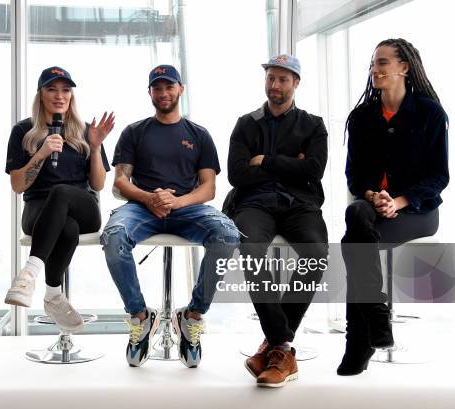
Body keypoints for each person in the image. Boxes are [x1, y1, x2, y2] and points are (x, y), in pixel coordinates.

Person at [100, 64, 240, 368]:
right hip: (141, 207)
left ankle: (191, 317)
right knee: (112, 237)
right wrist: (149, 198)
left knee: (228, 235)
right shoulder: (134, 132)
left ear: (180, 89)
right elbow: (120, 183)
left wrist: (176, 202)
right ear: (150, 92)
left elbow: (209, 188)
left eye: (169, 86)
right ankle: (140, 316)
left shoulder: (199, 135)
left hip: (187, 207)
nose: (163, 93)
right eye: (157, 87)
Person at [339, 38, 448, 375]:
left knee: (354, 241)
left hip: (418, 212)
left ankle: (360, 341)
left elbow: (438, 176)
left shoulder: (430, 113)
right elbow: (354, 175)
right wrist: (373, 196)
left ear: (403, 67)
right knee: (357, 214)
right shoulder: (361, 118)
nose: (375, 69)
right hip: (374, 208)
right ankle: (376, 317)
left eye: (383, 62)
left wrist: (398, 201)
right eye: (373, 63)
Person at [223, 54, 329, 388]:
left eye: (283, 79)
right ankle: (282, 345)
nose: (275, 85)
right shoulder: (246, 123)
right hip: (254, 203)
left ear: (296, 83)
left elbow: (313, 171)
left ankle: (272, 345)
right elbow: (237, 175)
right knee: (251, 247)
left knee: (316, 253)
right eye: (271, 78)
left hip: (300, 204)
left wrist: (265, 160)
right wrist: (289, 165)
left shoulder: (313, 124)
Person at [4, 66, 113, 332]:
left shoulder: (87, 131)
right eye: (52, 89)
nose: (59, 96)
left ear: (71, 96)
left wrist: (96, 147)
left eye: (65, 90)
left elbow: (98, 184)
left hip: (83, 207)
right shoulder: (23, 131)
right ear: (40, 94)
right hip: (38, 209)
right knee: (67, 227)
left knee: (62, 192)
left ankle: (29, 273)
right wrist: (40, 154)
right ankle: (53, 294)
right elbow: (18, 186)